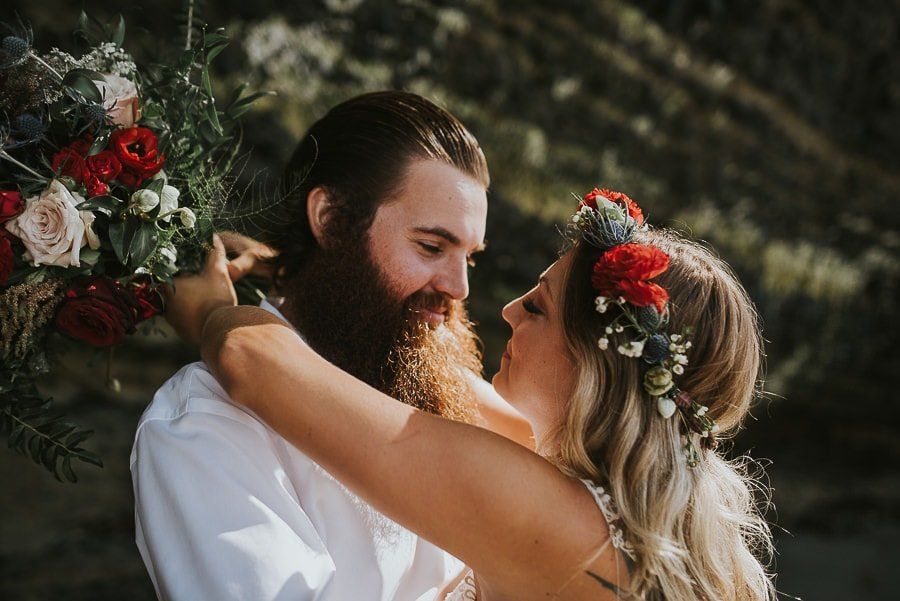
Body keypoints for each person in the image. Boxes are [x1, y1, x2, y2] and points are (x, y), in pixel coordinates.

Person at [168, 189, 777, 600]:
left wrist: (210, 307)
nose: (507, 311)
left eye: (537, 307)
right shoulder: (637, 519)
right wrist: (323, 272)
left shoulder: (557, 517)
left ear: (598, 368)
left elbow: (249, 360)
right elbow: (428, 368)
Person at [130, 91, 530, 600]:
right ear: (332, 219)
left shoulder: (428, 380)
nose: (459, 287)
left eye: (469, 258)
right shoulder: (204, 421)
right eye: (432, 246)